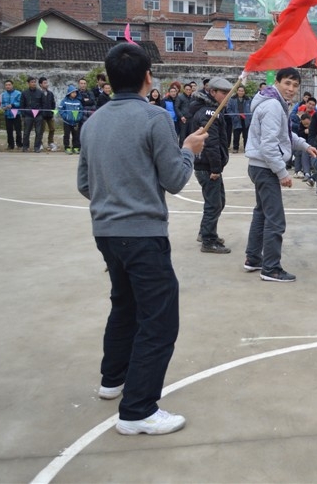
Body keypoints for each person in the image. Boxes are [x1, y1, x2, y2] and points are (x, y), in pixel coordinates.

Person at [77, 43, 208, 436]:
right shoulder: (155, 117)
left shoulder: (92, 122)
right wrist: (189, 150)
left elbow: (84, 183)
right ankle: (137, 410)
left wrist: (114, 197)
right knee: (159, 319)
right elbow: (175, 178)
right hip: (142, 234)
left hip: (106, 232)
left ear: (108, 78)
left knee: (125, 304)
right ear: (148, 77)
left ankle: (113, 379)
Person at [244, 67, 317, 283]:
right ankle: (271, 268)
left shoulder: (276, 103)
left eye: (295, 85)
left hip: (260, 166)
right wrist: (281, 172)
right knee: (275, 220)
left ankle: (253, 258)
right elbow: (269, 145)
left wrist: (304, 146)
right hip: (265, 167)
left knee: (262, 213)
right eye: (287, 83)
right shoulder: (273, 106)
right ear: (276, 82)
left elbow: (284, 135)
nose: (291, 88)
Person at [189, 77, 232, 253]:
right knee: (214, 204)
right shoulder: (209, 114)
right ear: (212, 92)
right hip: (207, 166)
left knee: (218, 201)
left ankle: (205, 232)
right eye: (223, 93)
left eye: (229, 93)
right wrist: (215, 168)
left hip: (207, 165)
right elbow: (211, 143)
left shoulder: (212, 110)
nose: (227, 96)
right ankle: (208, 240)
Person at [20, 76, 45, 152]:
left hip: (38, 115)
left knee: (38, 132)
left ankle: (37, 147)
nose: (34, 83)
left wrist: (41, 113)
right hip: (28, 115)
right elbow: (22, 105)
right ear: (28, 83)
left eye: (34, 82)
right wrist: (23, 114)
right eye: (32, 82)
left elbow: (43, 104)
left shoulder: (40, 93)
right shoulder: (24, 93)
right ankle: (25, 147)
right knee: (26, 132)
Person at [59, 85, 83, 154]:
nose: (74, 94)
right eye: (73, 92)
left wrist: (78, 117)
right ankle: (67, 147)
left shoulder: (78, 102)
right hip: (67, 122)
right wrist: (66, 116)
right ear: (69, 93)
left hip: (75, 122)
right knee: (66, 135)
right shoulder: (64, 101)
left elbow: (81, 111)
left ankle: (76, 147)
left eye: (75, 92)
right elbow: (61, 109)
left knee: (76, 135)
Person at [227, 85, 252, 153]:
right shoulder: (232, 99)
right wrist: (234, 116)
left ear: (244, 92)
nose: (241, 92)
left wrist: (250, 118)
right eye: (239, 91)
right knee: (236, 135)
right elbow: (229, 109)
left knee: (246, 135)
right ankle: (235, 148)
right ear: (237, 91)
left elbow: (252, 109)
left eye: (242, 91)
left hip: (246, 120)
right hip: (237, 120)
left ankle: (246, 148)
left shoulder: (248, 99)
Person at [0, 80, 22, 150]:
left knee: (18, 131)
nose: (8, 86)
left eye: (9, 85)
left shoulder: (18, 93)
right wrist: (3, 107)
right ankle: (10, 145)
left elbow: (20, 103)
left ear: (12, 85)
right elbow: (3, 103)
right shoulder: (3, 94)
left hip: (16, 114)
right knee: (9, 131)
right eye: (6, 85)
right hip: (7, 114)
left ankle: (19, 144)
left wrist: (13, 105)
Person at [39, 77, 57, 151]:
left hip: (49, 114)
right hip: (41, 115)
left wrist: (52, 112)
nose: (46, 84)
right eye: (44, 83)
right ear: (40, 84)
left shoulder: (50, 93)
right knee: (41, 130)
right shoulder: (38, 93)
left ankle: (50, 142)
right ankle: (39, 143)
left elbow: (53, 103)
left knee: (52, 129)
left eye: (47, 83)